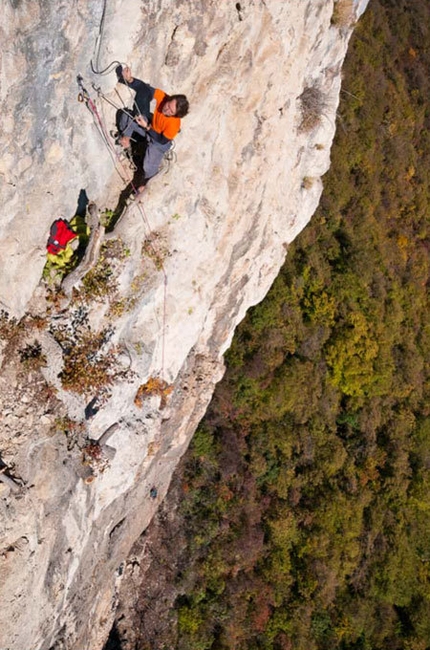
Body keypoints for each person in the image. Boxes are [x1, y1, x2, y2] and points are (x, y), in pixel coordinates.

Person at [116, 65, 189, 191]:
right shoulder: (163, 98)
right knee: (126, 116)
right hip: (150, 126)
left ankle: (146, 182)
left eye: (170, 111)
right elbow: (144, 89)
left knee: (148, 166)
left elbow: (161, 140)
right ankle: (126, 139)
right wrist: (130, 80)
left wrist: (147, 127)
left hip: (159, 141)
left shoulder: (174, 124)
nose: (166, 109)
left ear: (175, 115)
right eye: (168, 104)